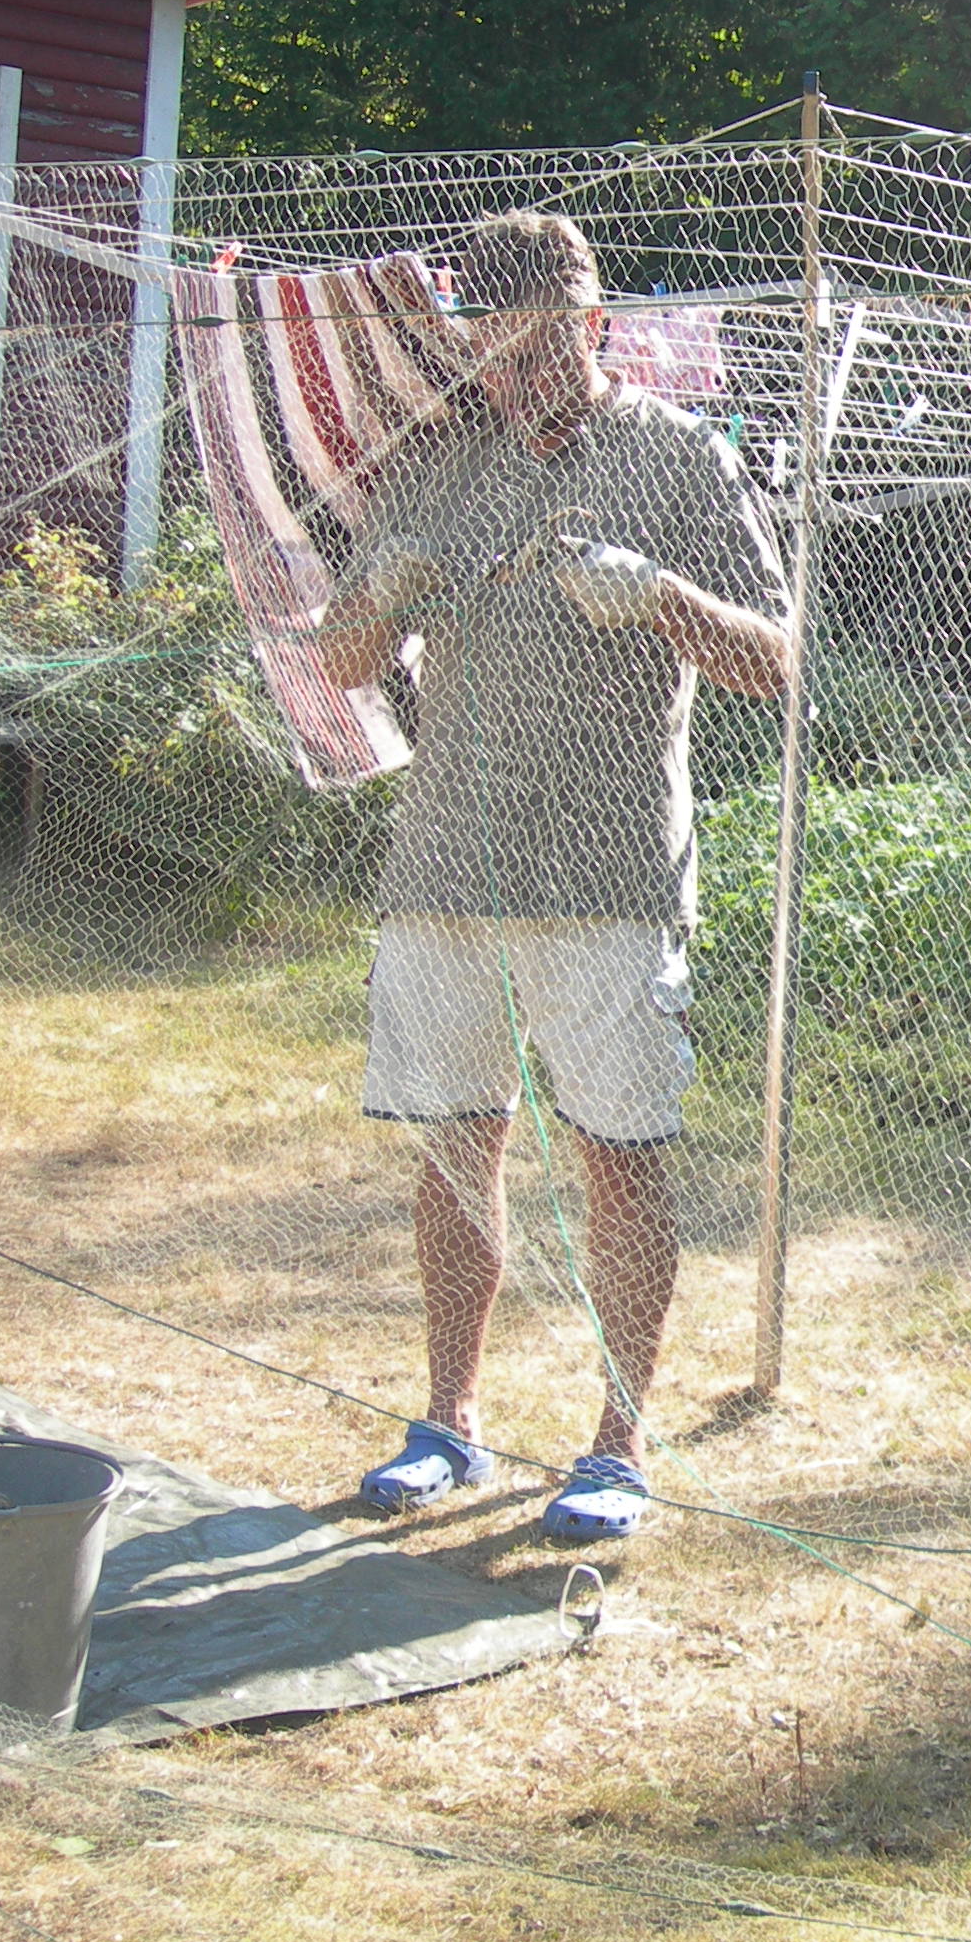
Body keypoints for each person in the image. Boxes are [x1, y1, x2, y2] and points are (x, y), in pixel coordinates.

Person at [318, 211, 792, 1542]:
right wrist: (383, 598)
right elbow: (346, 663)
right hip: (447, 861)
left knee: (619, 1159)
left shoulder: (678, 457)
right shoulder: (438, 465)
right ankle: (449, 1424)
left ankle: (618, 1442)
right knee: (457, 1148)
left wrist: (663, 602)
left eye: (536, 343)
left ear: (594, 324)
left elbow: (778, 658)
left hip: (606, 866)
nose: (510, 372)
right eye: (489, 347)